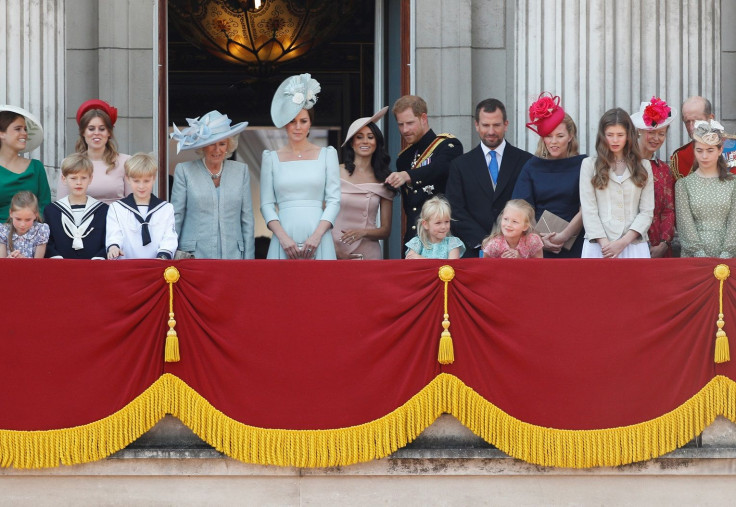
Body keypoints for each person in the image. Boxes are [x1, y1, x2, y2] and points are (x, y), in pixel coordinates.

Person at [260, 73, 340, 260]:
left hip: (319, 237)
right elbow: (266, 204)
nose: (297, 127)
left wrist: (317, 235)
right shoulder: (270, 158)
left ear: (310, 124)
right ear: (285, 125)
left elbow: (334, 200)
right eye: (292, 121)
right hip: (283, 238)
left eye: (303, 121)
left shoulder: (327, 155)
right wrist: (283, 238)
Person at [446, 98, 532, 257]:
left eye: (496, 125)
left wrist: (512, 241)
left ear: (506, 124)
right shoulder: (460, 165)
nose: (491, 131)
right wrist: (485, 241)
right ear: (476, 125)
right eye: (486, 125)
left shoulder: (526, 161)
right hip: (474, 251)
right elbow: (456, 210)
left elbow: (529, 205)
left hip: (517, 253)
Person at [170, 110, 254, 259]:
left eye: (222, 144)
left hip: (233, 257)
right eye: (211, 144)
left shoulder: (241, 171)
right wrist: (170, 254)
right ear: (203, 146)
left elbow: (247, 220)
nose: (217, 150)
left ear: (229, 145)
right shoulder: (184, 171)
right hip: (194, 257)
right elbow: (177, 217)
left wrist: (249, 262)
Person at [511, 93, 586, 258]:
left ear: (570, 136)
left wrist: (564, 236)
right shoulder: (532, 166)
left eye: (560, 136)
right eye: (548, 136)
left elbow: (588, 207)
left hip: (577, 245)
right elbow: (520, 208)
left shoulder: (584, 164)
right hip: (538, 247)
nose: (554, 142)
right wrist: (538, 239)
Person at [385, 95, 462, 246]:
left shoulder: (448, 146)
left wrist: (408, 175)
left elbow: (441, 168)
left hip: (442, 238)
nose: (405, 130)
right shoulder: (404, 158)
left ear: (423, 118)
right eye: (401, 124)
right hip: (415, 239)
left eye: (410, 123)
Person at [579, 108, 654, 258]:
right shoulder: (589, 165)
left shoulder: (644, 166)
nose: (614, 140)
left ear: (629, 136)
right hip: (598, 246)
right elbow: (588, 210)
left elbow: (646, 211)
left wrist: (623, 242)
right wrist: (605, 245)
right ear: (602, 135)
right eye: (610, 135)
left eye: (620, 135)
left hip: (633, 245)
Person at [332, 107, 395, 259]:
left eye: (370, 137)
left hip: (368, 253)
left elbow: (386, 230)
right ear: (352, 143)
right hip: (334, 252)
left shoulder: (385, 179)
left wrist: (363, 232)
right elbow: (322, 217)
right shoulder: (335, 172)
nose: (365, 141)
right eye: (359, 137)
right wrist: (333, 250)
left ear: (377, 142)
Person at [675, 120, 736, 258]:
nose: (704, 156)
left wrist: (727, 254)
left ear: (720, 150)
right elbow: (685, 225)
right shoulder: (683, 185)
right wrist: (700, 255)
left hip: (729, 257)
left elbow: (734, 222)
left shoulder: (733, 183)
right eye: (699, 150)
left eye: (710, 150)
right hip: (693, 258)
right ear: (694, 151)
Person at [58, 99, 131, 204]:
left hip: (116, 218)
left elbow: (133, 201)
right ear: (83, 132)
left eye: (102, 129)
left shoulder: (125, 162)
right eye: (91, 129)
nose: (96, 133)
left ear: (109, 132)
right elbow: (61, 203)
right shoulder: (69, 163)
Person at [106, 153, 177, 260]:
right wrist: (113, 247)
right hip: (126, 266)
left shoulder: (166, 208)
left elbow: (169, 237)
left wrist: (163, 255)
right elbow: (114, 234)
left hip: (157, 266)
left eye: (146, 181)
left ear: (154, 178)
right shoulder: (117, 208)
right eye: (136, 181)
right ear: (128, 179)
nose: (141, 186)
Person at [631, 97, 677, 258]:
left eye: (661, 134)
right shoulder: (625, 164)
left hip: (658, 243)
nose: (656, 138)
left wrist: (665, 243)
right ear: (639, 131)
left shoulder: (664, 170)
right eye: (651, 132)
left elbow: (668, 210)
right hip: (630, 242)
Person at [44, 153, 108, 259]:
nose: (79, 182)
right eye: (73, 178)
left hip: (95, 268)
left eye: (83, 178)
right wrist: (56, 257)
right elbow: (47, 241)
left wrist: (99, 257)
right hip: (61, 269)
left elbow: (107, 239)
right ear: (64, 179)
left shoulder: (102, 210)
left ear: (90, 179)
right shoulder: (52, 211)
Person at [0, 105, 50, 221]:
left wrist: (33, 233)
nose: (24, 133)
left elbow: (45, 206)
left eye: (25, 129)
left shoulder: (36, 167)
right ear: (1, 133)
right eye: (18, 129)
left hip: (32, 235)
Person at [670, 96, 714, 180]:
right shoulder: (679, 158)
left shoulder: (732, 149)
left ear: (710, 118)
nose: (691, 128)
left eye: (696, 121)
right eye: (687, 122)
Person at [0, 191, 49, 258]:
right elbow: (2, 263)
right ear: (11, 213)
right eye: (18, 219)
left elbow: (38, 264)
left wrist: (24, 261)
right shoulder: (3, 231)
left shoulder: (41, 231)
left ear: (36, 215)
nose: (22, 224)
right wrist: (8, 260)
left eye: (28, 219)